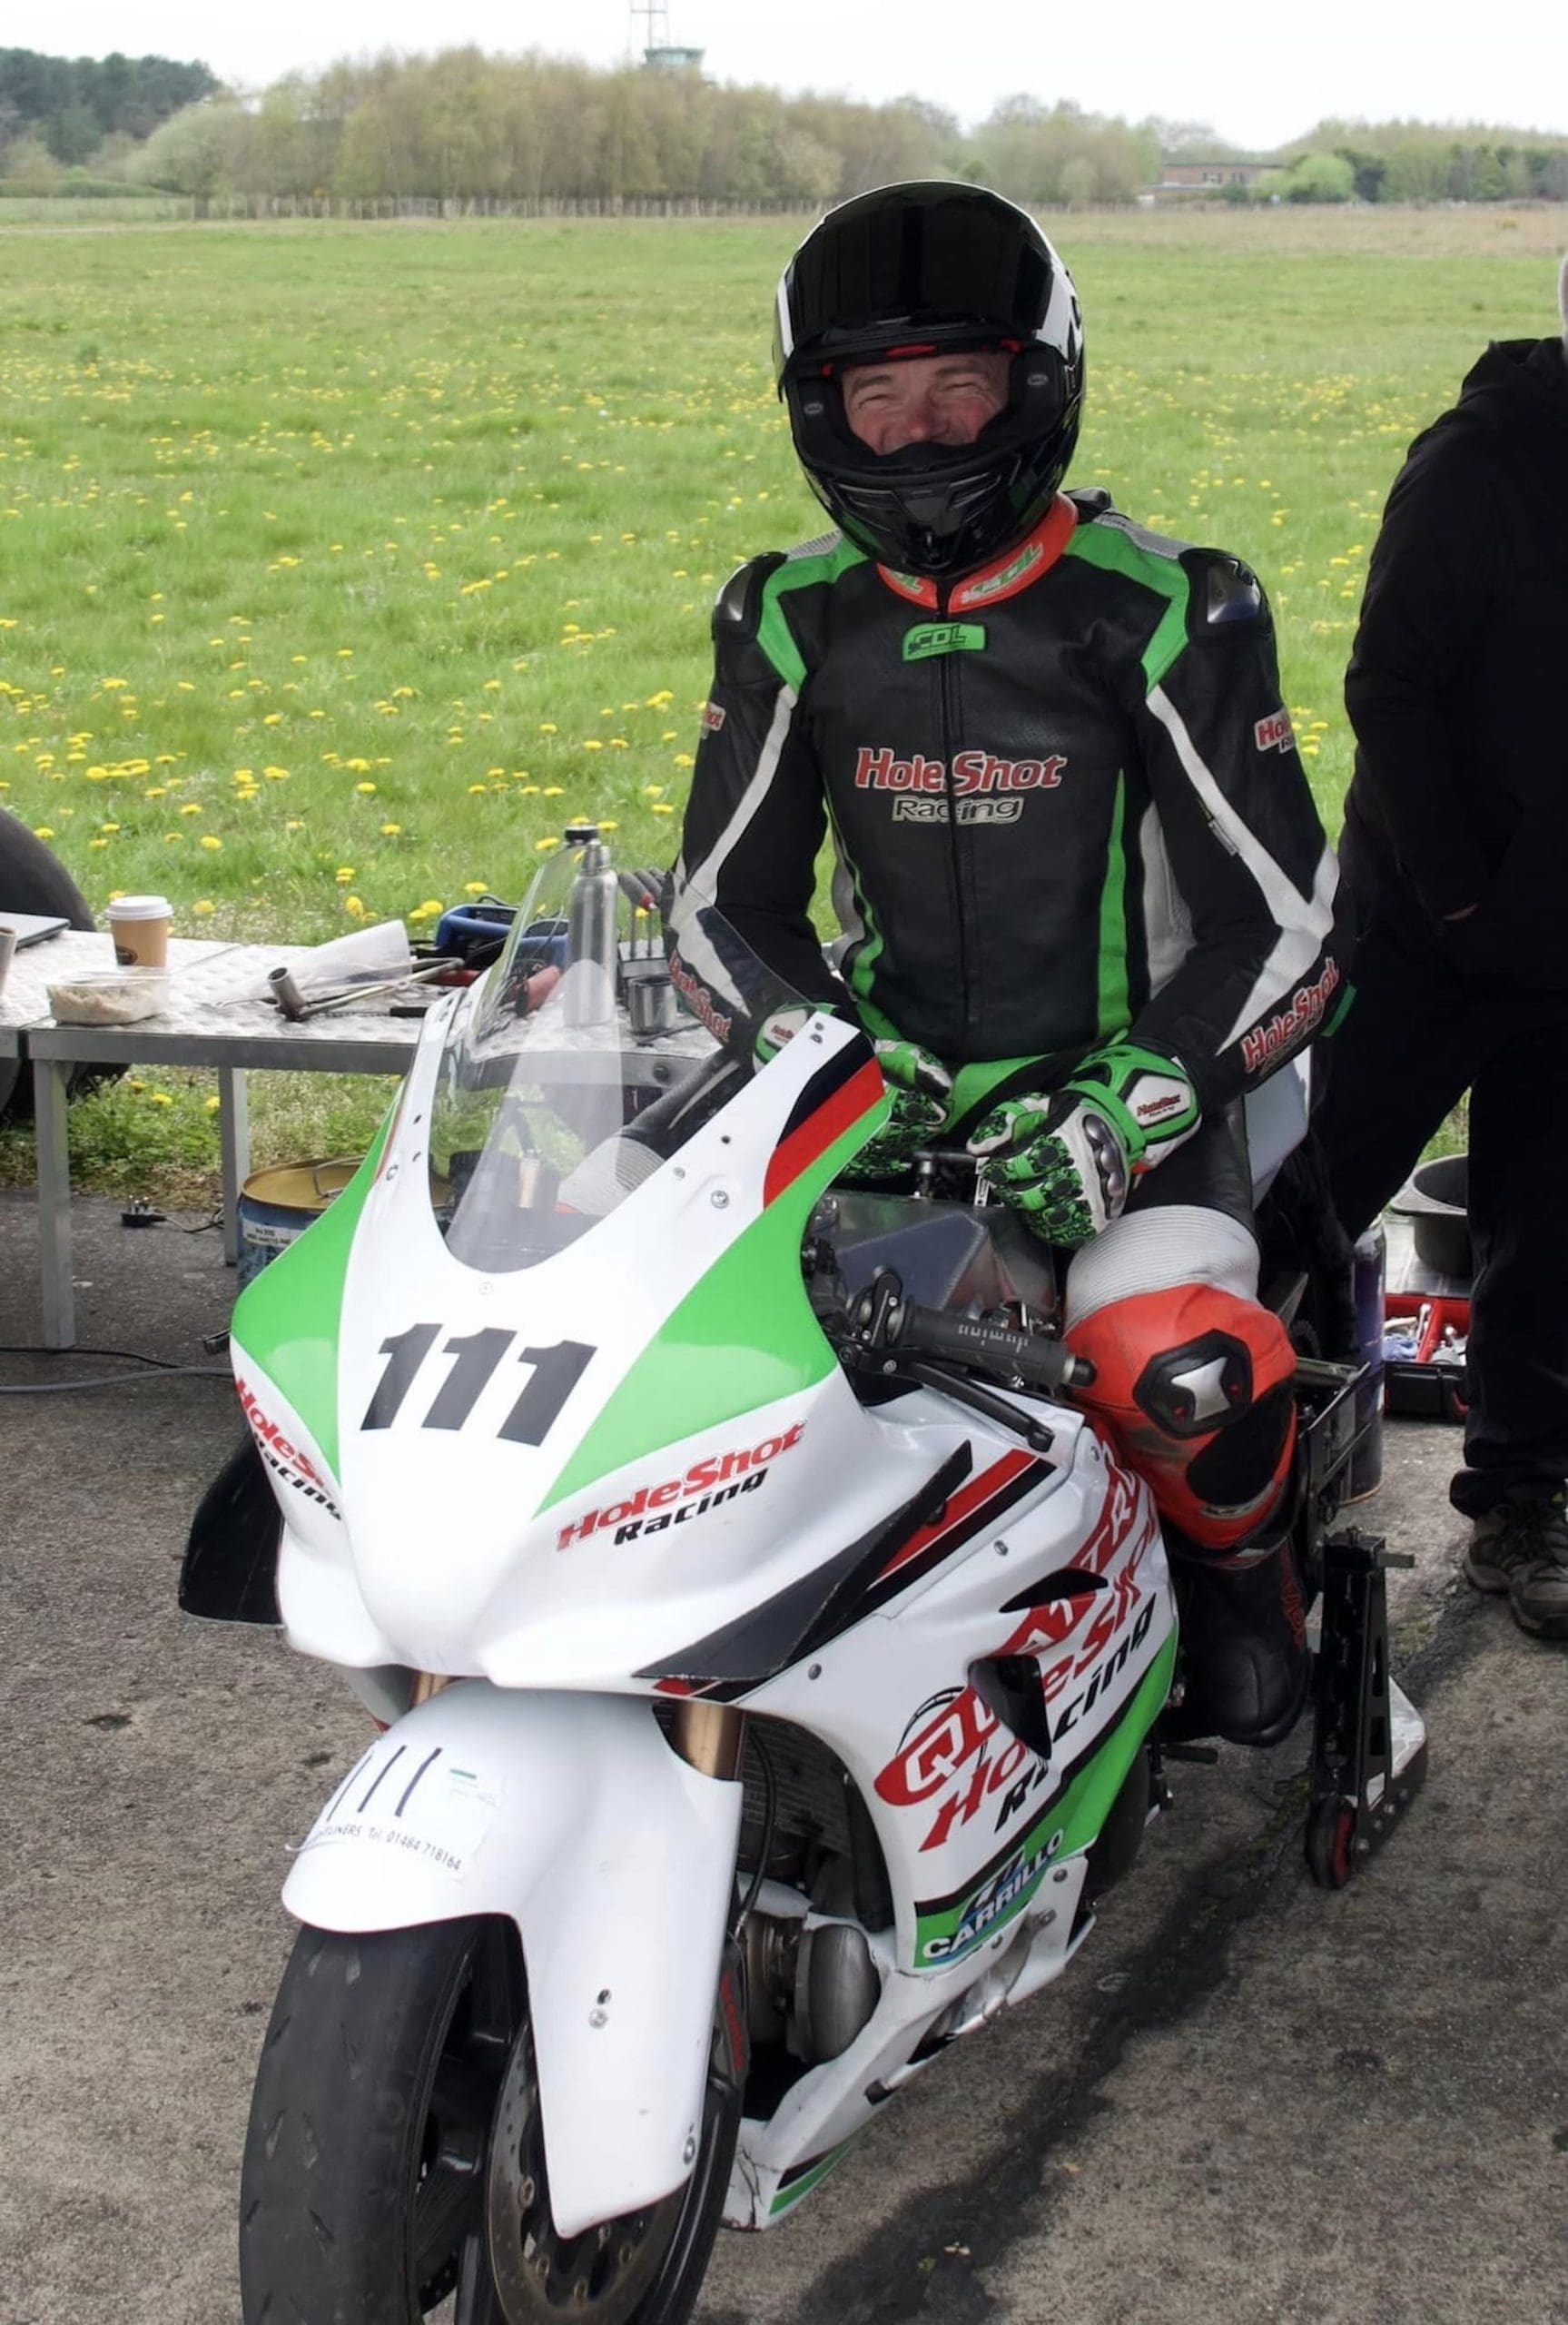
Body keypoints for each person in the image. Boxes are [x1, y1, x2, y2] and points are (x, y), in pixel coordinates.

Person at [667, 181, 1346, 1743]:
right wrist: (831, 1064)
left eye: (957, 385)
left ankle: (1241, 1596)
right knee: (695, 1353)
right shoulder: (787, 618)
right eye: (872, 395)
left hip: (1147, 1112)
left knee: (1166, 1365)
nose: (912, 435)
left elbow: (1295, 923)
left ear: (1037, 386)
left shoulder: (1171, 605)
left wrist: (1129, 1112)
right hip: (883, 1109)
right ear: (815, 408)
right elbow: (721, 910)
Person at [1316, 259, 1568, 1644]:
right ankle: (1218, 1478)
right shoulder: (1482, 461)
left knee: (1555, 1232)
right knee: (1309, 1197)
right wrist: (1464, 898)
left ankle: (1524, 1502)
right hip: (1431, 926)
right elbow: (1387, 685)